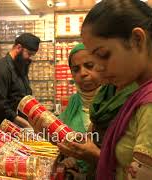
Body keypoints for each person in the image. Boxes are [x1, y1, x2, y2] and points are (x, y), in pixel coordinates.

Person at [60, 0, 152, 179]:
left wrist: (93, 156)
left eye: (103, 55)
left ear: (137, 39)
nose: (98, 68)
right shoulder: (139, 93)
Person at [58, 43, 101, 174]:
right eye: (76, 69)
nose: (83, 73)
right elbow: (61, 139)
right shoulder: (73, 103)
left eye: (89, 66)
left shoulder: (113, 101)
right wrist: (69, 159)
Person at [0, 33, 40, 128]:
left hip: (18, 129)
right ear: (19, 48)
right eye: (29, 54)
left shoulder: (20, 67)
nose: (30, 58)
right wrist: (25, 124)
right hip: (1, 130)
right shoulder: (0, 69)